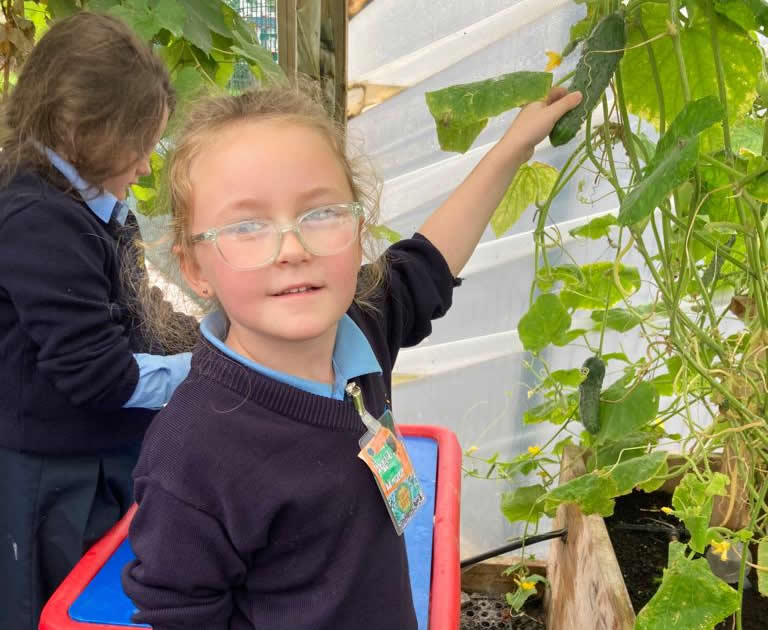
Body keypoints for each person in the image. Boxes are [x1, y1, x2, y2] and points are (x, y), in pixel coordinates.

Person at [122, 82, 582, 630]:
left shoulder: (359, 327)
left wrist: (513, 148)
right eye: (247, 226)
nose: (293, 249)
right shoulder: (192, 452)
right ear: (195, 269)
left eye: (320, 213)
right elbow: (180, 613)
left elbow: (430, 261)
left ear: (359, 231)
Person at [0, 12, 199, 630]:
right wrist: (220, 367)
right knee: (55, 604)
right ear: (87, 131)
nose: (145, 166)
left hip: (102, 454)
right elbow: (101, 375)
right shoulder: (36, 220)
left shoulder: (95, 200)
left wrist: (207, 334)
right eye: (138, 146)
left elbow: (135, 305)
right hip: (54, 476)